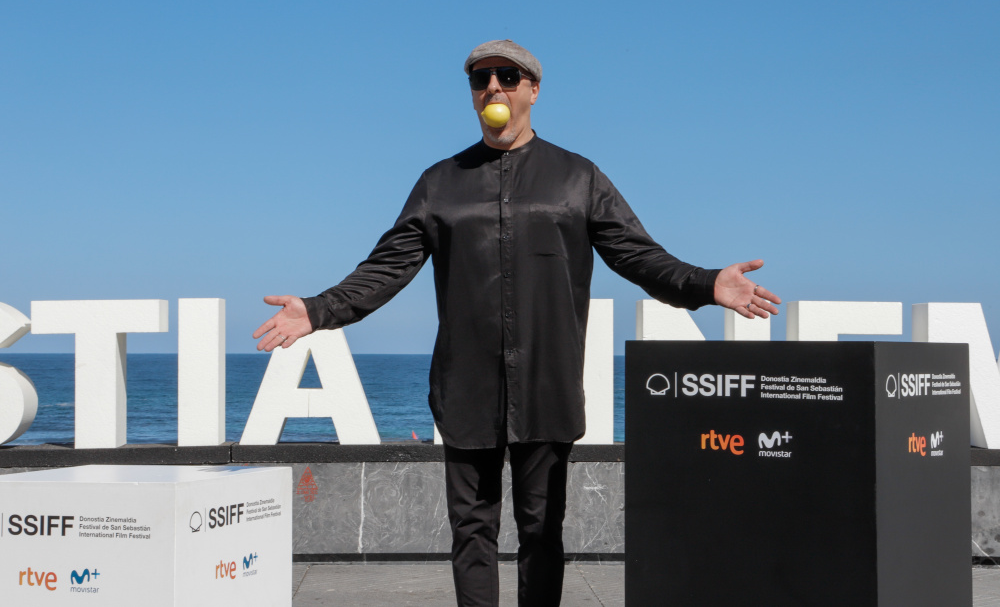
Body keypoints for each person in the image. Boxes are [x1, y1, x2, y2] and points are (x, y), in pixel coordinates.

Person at [253, 39, 781, 607]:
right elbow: (386, 269)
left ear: (533, 89)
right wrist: (318, 309)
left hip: (546, 387)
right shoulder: (439, 183)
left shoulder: (579, 178)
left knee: (542, 532)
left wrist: (706, 283)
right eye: (480, 79)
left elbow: (638, 256)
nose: (493, 88)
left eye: (507, 76)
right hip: (466, 388)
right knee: (471, 534)